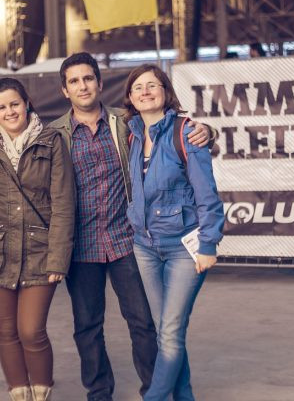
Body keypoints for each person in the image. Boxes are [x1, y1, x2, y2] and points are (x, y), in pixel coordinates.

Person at [49, 52, 212, 401]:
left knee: (144, 323)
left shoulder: (126, 123)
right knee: (87, 328)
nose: (83, 86)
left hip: (128, 240)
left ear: (99, 82)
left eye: (88, 78)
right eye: (74, 81)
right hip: (82, 245)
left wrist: (206, 131)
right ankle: (99, 394)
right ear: (65, 90)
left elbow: (168, 128)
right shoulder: (55, 135)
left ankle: (155, 390)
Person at [124, 64, 225, 400]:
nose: (145, 91)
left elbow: (206, 193)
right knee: (166, 333)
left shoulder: (186, 133)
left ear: (166, 92)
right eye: (138, 87)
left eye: (152, 85)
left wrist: (208, 243)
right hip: (144, 247)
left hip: (183, 247)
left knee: (169, 331)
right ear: (130, 98)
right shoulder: (132, 135)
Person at [0, 78, 75, 401]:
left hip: (40, 250)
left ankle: (42, 392)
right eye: (2, 107)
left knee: (31, 330)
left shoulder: (51, 141)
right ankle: (19, 393)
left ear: (27, 102)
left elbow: (64, 203)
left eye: (14, 104)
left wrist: (58, 258)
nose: (10, 111)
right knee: (6, 331)